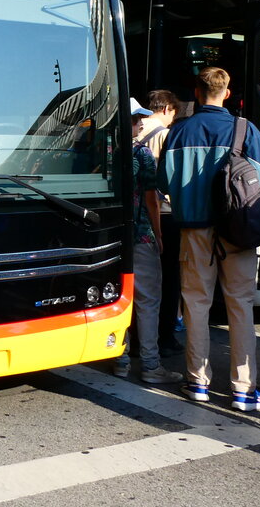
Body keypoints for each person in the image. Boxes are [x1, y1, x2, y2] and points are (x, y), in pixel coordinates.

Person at [158, 67, 260, 411]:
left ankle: (198, 382)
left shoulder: (179, 131)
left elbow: (163, 183)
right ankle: (243, 390)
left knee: (196, 304)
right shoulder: (244, 128)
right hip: (237, 230)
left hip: (194, 230)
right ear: (227, 93)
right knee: (240, 305)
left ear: (197, 93)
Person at [115, 99, 183, 385]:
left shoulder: (106, 152)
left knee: (121, 300)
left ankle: (120, 359)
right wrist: (158, 234)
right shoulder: (141, 154)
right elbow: (151, 199)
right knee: (148, 300)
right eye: (135, 119)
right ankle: (151, 364)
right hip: (141, 233)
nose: (140, 123)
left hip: (115, 237)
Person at [137, 89, 184, 356]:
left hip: (136, 215)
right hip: (163, 214)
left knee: (141, 280)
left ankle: (137, 336)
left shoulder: (133, 129)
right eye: (173, 114)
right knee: (167, 279)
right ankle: (164, 336)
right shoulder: (165, 136)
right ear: (167, 109)